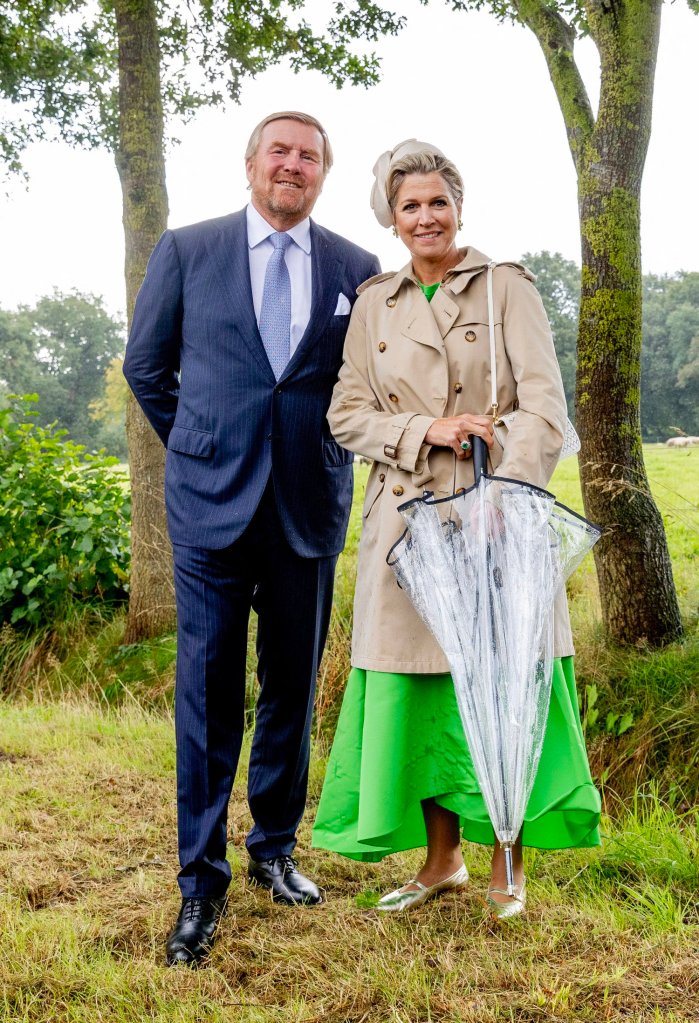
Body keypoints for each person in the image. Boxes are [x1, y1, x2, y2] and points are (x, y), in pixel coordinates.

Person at [312, 140, 600, 919]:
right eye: (409, 205)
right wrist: (424, 430)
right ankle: (441, 862)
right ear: (391, 217)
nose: (425, 216)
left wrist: (510, 489)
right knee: (421, 686)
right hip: (406, 522)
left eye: (438, 201)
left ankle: (508, 861)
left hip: (495, 513)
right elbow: (345, 413)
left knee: (502, 681)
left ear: (459, 207)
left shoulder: (507, 286)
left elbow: (544, 405)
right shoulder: (374, 302)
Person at [123, 111, 380, 965]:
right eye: (280, 150)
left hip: (308, 505)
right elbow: (146, 366)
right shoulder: (187, 250)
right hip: (209, 508)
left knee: (291, 690)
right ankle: (200, 883)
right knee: (206, 694)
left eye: (309, 156)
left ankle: (273, 847)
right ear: (250, 163)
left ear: (323, 174)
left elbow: (367, 383)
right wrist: (199, 444)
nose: (293, 165)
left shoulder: (356, 268)